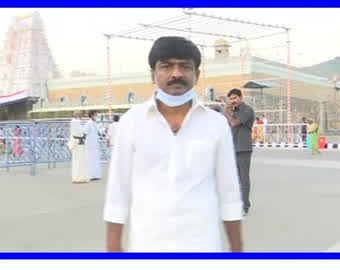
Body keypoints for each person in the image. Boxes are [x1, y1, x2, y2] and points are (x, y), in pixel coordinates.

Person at [104, 36, 243, 252]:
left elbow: (229, 192)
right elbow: (118, 190)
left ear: (196, 74)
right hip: (147, 244)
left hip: (202, 243)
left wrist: (237, 249)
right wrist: (113, 247)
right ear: (153, 74)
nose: (176, 74)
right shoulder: (132, 121)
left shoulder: (216, 125)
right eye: (166, 66)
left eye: (185, 66)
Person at [223, 88, 255, 216]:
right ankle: (235, 203)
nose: (233, 101)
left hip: (243, 148)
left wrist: (227, 112)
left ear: (241, 98)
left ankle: (245, 205)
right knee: (234, 178)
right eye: (230, 99)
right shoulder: (233, 110)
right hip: (232, 147)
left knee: (243, 178)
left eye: (235, 98)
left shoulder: (247, 110)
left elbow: (234, 123)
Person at [69, 110, 88, 183]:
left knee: (76, 160)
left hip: (76, 141)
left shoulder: (73, 121)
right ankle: (79, 177)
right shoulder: (76, 122)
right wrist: (83, 136)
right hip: (79, 142)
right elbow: (80, 132)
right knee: (80, 160)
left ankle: (77, 177)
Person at [84, 111, 103, 180]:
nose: (97, 116)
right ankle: (90, 175)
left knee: (95, 159)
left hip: (95, 144)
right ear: (92, 116)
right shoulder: (88, 123)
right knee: (90, 160)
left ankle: (96, 175)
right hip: (90, 145)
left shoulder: (95, 123)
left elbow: (100, 132)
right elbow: (84, 133)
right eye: (96, 115)